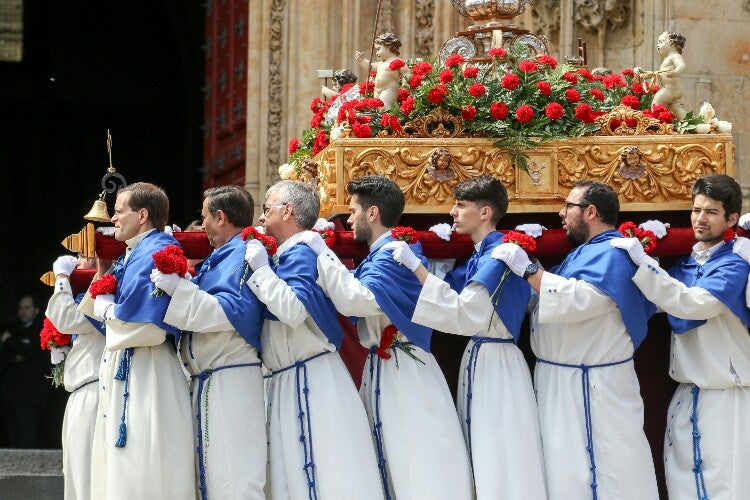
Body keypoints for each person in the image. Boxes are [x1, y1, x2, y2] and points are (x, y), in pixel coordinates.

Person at [298, 175, 474, 500]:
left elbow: (357, 299)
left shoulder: (394, 254)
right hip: (384, 367)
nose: (348, 220)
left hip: (406, 370)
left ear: (373, 213)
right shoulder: (380, 256)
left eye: (353, 211)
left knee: (417, 460)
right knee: (391, 458)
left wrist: (321, 252)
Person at [492, 180, 659, 499]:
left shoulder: (614, 254)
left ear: (591, 212)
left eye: (568, 206)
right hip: (561, 378)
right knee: (565, 470)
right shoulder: (585, 253)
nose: (560, 213)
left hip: (591, 383)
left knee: (602, 470)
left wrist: (528, 270)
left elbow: (578, 301)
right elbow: (549, 297)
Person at [389, 176, 547, 499]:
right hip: (480, 359)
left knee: (500, 453)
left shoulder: (499, 256)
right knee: (484, 450)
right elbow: (451, 293)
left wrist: (417, 268)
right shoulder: (481, 255)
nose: (452, 212)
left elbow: (463, 313)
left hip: (497, 364)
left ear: (485, 212)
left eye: (461, 206)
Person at [242, 180, 384, 500]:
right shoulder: (285, 253)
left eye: (266, 209)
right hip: (287, 378)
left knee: (320, 475)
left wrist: (261, 271)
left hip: (309, 377)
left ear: (287, 210)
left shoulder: (301, 251)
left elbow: (292, 310)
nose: (262, 218)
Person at [611, 174, 750, 499]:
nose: (700, 218)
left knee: (726, 488)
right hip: (687, 393)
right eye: (696, 209)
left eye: (711, 212)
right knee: (684, 486)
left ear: (731, 219)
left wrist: (644, 265)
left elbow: (692, 303)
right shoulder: (684, 265)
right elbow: (661, 299)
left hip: (726, 395)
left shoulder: (734, 267)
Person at [79, 182, 195, 499]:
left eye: (119, 212)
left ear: (142, 214)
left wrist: (109, 310)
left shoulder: (157, 252)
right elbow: (109, 315)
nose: (112, 219)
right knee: (125, 467)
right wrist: (102, 286)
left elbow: (151, 326)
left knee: (146, 464)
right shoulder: (133, 254)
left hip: (149, 370)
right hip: (130, 364)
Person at [150, 185, 267, 499]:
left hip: (231, 379)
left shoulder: (243, 252)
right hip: (211, 380)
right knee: (214, 478)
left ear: (221, 217)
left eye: (204, 218)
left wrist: (180, 289)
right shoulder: (221, 257)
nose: (201, 226)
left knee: (236, 478)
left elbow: (229, 312)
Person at [45, 255, 106, 499]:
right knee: (75, 476)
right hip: (81, 393)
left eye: (85, 256)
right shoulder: (87, 295)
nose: (78, 261)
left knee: (88, 478)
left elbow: (67, 318)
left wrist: (61, 277)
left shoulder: (105, 291)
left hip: (95, 392)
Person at [0, 294, 47, 448]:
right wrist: (17, 355)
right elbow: (5, 357)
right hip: (11, 394)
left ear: (36, 310)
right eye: (21, 308)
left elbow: (33, 351)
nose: (23, 311)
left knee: (27, 436)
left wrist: (9, 342)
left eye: (27, 308)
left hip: (29, 395)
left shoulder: (40, 330)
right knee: (12, 436)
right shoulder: (12, 328)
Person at [635, 31, 687, 119]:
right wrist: (643, 73)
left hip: (669, 89)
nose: (658, 45)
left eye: (661, 42)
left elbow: (682, 65)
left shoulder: (674, 55)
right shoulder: (667, 59)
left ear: (672, 43)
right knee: (676, 109)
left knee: (656, 105)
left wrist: (675, 72)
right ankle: (690, 123)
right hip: (674, 90)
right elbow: (657, 74)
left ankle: (656, 124)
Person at [355, 32, 405, 110]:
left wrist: (405, 85)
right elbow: (370, 66)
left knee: (384, 106)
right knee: (378, 109)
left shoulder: (397, 61)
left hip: (389, 90)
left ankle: (387, 120)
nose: (376, 52)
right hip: (378, 91)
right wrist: (361, 60)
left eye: (379, 49)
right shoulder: (381, 63)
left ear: (388, 47)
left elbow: (406, 73)